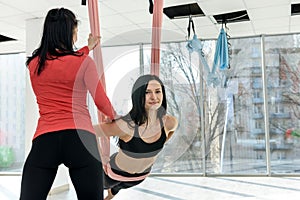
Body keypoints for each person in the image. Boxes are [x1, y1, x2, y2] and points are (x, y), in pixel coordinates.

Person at [20, 8, 115, 200]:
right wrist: (115, 117)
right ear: (70, 33)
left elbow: (59, 63)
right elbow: (101, 101)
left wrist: (87, 48)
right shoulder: (84, 63)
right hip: (80, 139)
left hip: (45, 140)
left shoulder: (34, 65)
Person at [93, 74, 178, 200]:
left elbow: (171, 131)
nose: (154, 97)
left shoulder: (169, 122)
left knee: (115, 191)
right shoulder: (126, 126)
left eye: (158, 91)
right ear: (138, 95)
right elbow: (89, 131)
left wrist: (155, 146)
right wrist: (101, 158)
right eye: (147, 92)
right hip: (112, 175)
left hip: (139, 178)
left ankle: (111, 194)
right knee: (97, 191)